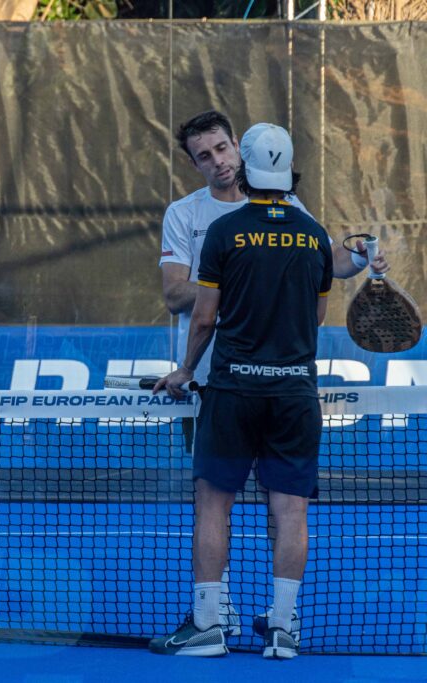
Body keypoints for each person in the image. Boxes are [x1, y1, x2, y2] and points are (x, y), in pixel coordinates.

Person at [158, 110, 390, 639]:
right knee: (234, 504)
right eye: (204, 156)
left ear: (238, 149)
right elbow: (174, 293)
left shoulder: (290, 214)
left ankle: (221, 620)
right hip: (215, 383)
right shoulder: (185, 214)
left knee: (234, 503)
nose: (217, 162)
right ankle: (240, 614)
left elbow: (327, 262)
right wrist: (252, 281)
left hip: (237, 382)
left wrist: (357, 256)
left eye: (222, 149)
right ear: (194, 164)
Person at [150, 123, 332, 659]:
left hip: (232, 391)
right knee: (291, 510)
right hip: (294, 393)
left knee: (213, 505)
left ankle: (208, 626)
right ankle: (282, 628)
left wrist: (186, 368)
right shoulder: (314, 235)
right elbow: (317, 315)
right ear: (289, 169)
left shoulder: (226, 232)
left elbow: (204, 317)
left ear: (245, 167)